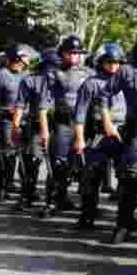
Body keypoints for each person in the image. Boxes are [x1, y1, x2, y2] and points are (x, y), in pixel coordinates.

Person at [74, 27, 137, 243]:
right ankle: (123, 224)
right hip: (135, 132)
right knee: (129, 179)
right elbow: (104, 96)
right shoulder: (126, 71)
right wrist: (106, 122)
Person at [75, 43, 126, 230]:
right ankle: (87, 216)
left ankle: (124, 219)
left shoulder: (126, 82)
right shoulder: (91, 84)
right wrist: (79, 138)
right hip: (98, 135)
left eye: (117, 62)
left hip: (122, 133)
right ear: (101, 62)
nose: (113, 66)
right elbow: (80, 112)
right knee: (91, 177)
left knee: (127, 177)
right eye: (108, 62)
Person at [40, 36, 92, 217]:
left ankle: (85, 206)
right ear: (62, 53)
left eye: (77, 53)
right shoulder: (53, 74)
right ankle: (53, 200)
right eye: (71, 52)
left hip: (85, 125)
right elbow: (44, 103)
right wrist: (45, 130)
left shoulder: (88, 74)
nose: (74, 56)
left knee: (82, 166)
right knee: (59, 163)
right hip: (63, 124)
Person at [0, 46, 33, 202]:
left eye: (24, 63)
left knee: (27, 156)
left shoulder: (27, 76)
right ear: (13, 60)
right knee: (6, 154)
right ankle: (2, 187)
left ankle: (26, 189)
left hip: (26, 120)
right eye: (20, 61)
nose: (22, 65)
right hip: (6, 120)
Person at [14, 50, 58, 211]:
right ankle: (27, 195)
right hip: (36, 126)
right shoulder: (31, 80)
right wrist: (16, 125)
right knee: (30, 162)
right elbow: (20, 104)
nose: (53, 69)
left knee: (57, 164)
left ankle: (54, 198)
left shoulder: (62, 79)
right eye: (51, 65)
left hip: (58, 125)